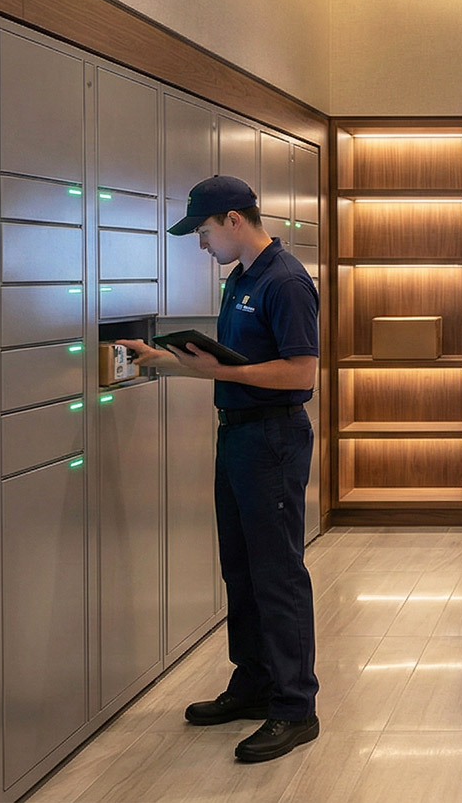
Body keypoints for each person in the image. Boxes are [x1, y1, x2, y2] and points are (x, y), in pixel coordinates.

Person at [118, 174, 321, 764]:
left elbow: (300, 373)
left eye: (204, 231)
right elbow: (230, 363)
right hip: (235, 439)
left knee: (277, 575)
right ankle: (253, 685)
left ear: (235, 220)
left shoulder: (285, 281)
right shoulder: (239, 279)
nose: (200, 244)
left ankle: (294, 707)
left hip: (273, 441)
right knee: (241, 570)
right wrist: (170, 362)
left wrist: (213, 374)